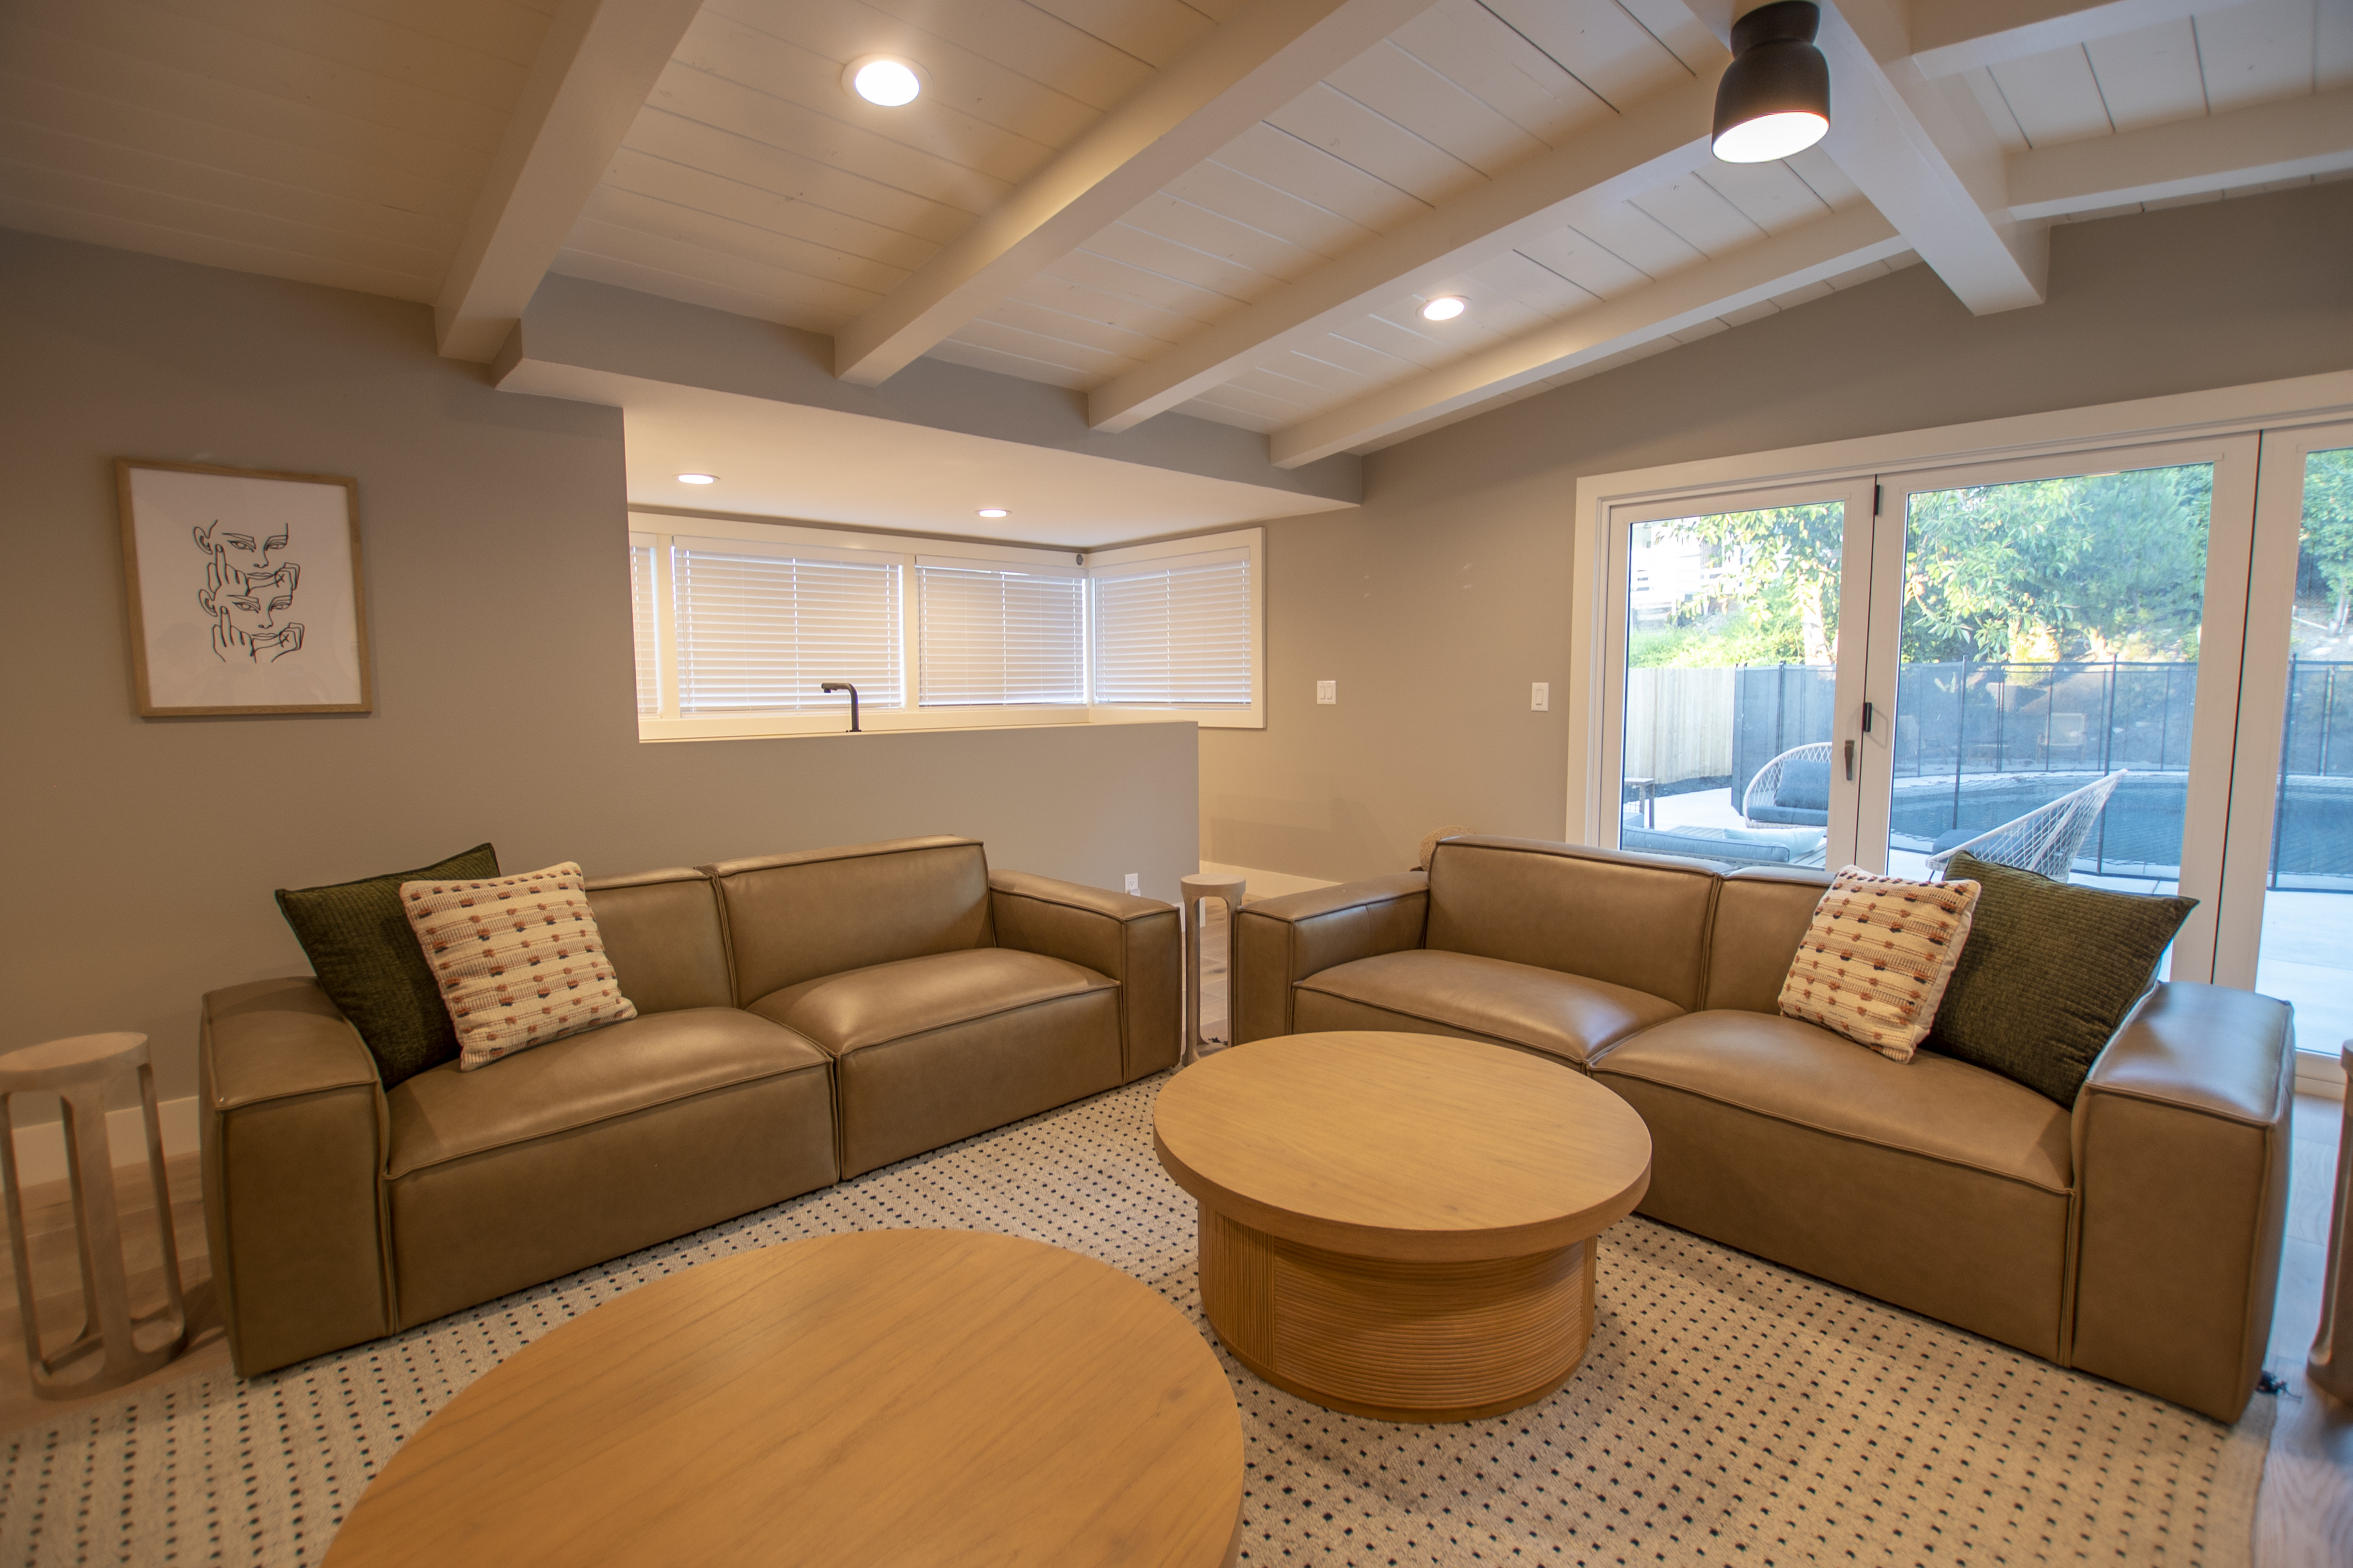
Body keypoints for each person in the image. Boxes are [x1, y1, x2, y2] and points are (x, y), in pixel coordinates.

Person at [200, 561, 304, 662]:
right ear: (209, 604)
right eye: (246, 606)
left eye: (280, 606)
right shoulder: (202, 658)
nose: (267, 623)